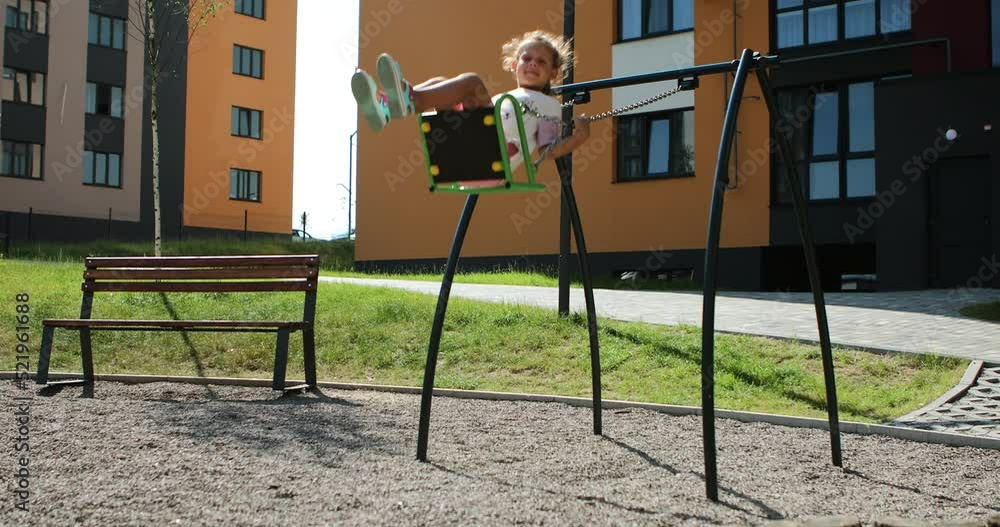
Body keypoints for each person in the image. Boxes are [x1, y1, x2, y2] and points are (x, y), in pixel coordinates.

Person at [351, 30, 591, 169]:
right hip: (467, 147)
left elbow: (548, 151)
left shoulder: (549, 105)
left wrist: (579, 136)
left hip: (493, 155)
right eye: (526, 58)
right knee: (440, 82)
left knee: (471, 83)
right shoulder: (506, 99)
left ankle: (407, 98)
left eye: (541, 62)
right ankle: (387, 108)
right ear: (513, 65)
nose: (532, 64)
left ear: (553, 73)